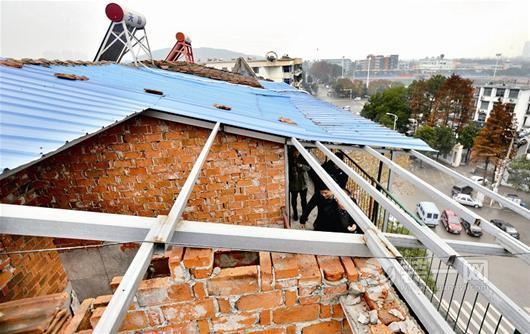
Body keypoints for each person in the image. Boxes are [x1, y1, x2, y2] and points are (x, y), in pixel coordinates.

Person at [288, 148, 310, 221]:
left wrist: (301, 166)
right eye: (295, 152)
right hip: (293, 183)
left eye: (298, 152)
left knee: (304, 200)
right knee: (294, 200)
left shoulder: (303, 158)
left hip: (303, 183)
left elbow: (308, 168)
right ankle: (295, 213)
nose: (297, 154)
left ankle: (304, 215)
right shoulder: (289, 158)